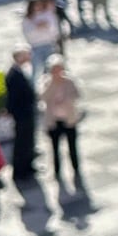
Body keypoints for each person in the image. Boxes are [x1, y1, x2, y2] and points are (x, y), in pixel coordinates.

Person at [41, 59, 85, 199]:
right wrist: (53, 85)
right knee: (54, 148)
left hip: (68, 120)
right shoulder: (47, 82)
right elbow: (43, 97)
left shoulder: (69, 81)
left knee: (72, 146)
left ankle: (75, 168)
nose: (57, 73)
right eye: (54, 70)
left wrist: (66, 98)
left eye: (59, 70)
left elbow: (77, 95)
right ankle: (57, 171)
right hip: (54, 121)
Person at [4, 47, 41, 185]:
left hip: (27, 112)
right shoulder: (13, 74)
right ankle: (20, 171)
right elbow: (13, 98)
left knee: (29, 141)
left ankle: (29, 166)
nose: (28, 57)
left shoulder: (21, 71)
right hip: (22, 115)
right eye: (26, 55)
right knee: (22, 143)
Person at [22, 0, 66, 77]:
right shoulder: (27, 19)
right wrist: (36, 27)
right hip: (35, 47)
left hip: (49, 44)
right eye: (35, 5)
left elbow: (54, 30)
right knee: (36, 71)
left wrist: (45, 27)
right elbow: (27, 33)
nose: (38, 7)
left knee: (50, 69)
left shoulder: (48, 14)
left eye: (39, 4)